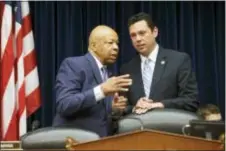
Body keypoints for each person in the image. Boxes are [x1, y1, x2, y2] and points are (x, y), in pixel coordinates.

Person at [52, 25, 132, 137]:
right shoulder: (74, 65)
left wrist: (113, 109)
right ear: (94, 45)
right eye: (110, 42)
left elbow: (98, 114)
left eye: (117, 43)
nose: (116, 47)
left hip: (101, 141)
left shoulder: (108, 74)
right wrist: (102, 90)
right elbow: (65, 104)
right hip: (74, 141)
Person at [120, 12, 199, 115]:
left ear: (155, 32)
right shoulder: (127, 69)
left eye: (142, 33)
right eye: (133, 35)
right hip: (138, 128)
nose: (138, 39)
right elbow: (122, 108)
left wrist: (158, 105)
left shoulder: (179, 60)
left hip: (169, 127)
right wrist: (134, 108)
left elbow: (191, 101)